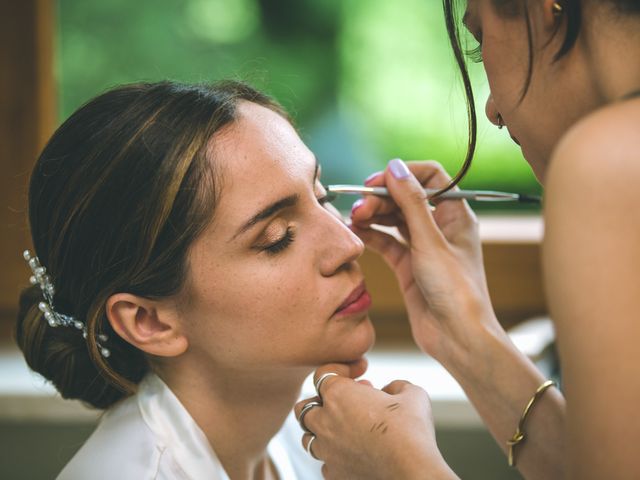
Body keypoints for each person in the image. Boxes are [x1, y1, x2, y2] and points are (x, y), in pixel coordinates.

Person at [294, 0, 640, 479]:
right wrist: (467, 333)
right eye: (277, 237)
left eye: (479, 45)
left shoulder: (613, 164)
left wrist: (402, 467)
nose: (493, 110)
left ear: (545, 9)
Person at [16, 80, 376, 479]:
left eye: (323, 197)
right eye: (277, 239)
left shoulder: (322, 441)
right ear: (149, 321)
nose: (349, 243)